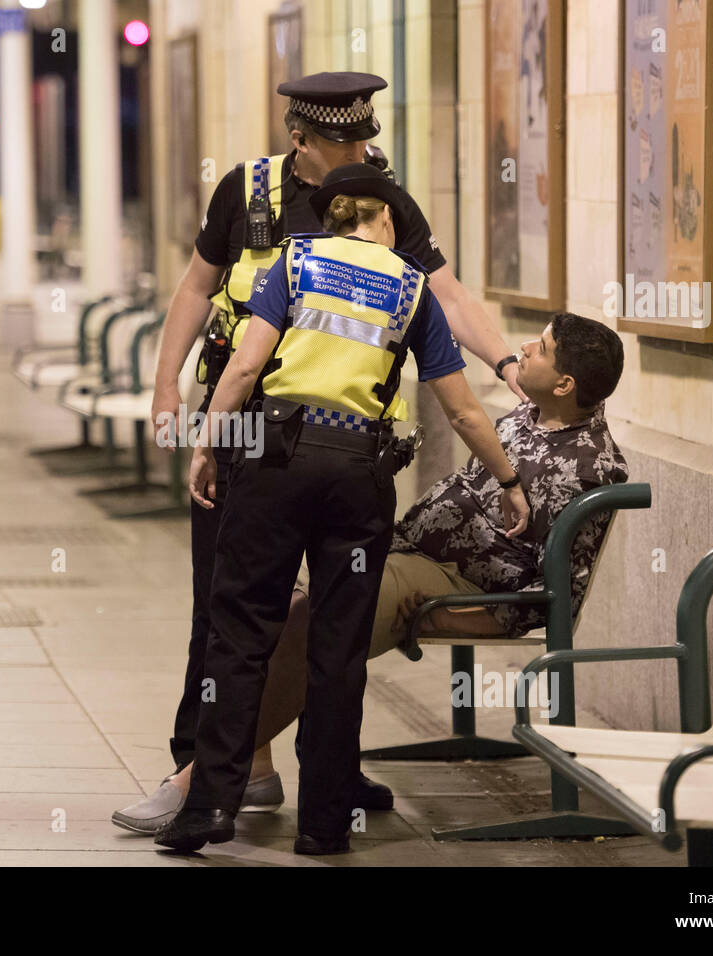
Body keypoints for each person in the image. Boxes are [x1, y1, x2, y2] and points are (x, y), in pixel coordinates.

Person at [121, 70, 527, 835]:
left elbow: (448, 297)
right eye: (341, 140)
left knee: (328, 621)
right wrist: (166, 389)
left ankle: (327, 778)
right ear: (298, 137)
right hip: (242, 419)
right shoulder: (247, 191)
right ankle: (205, 774)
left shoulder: (386, 201)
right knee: (225, 606)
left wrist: (505, 363)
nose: (358, 151)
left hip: (343, 438)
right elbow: (194, 290)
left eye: (363, 137)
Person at [167, 314, 629, 785]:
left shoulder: (591, 466)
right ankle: (271, 772)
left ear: (565, 384)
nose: (526, 347)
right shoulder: (524, 418)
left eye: (543, 349)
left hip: (454, 580)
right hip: (406, 548)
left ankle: (205, 777)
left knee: (325, 619)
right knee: (275, 607)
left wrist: (458, 617)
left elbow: (559, 590)